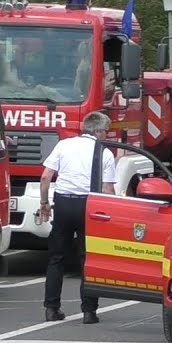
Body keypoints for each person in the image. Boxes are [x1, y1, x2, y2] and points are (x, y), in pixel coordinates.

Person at [38, 111, 117, 323]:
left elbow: (45, 177)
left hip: (63, 202)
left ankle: (51, 308)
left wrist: (44, 204)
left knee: (56, 258)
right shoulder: (104, 153)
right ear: (98, 130)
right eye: (106, 132)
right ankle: (89, 311)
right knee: (88, 258)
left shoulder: (64, 145)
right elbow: (108, 189)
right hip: (89, 205)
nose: (107, 137)